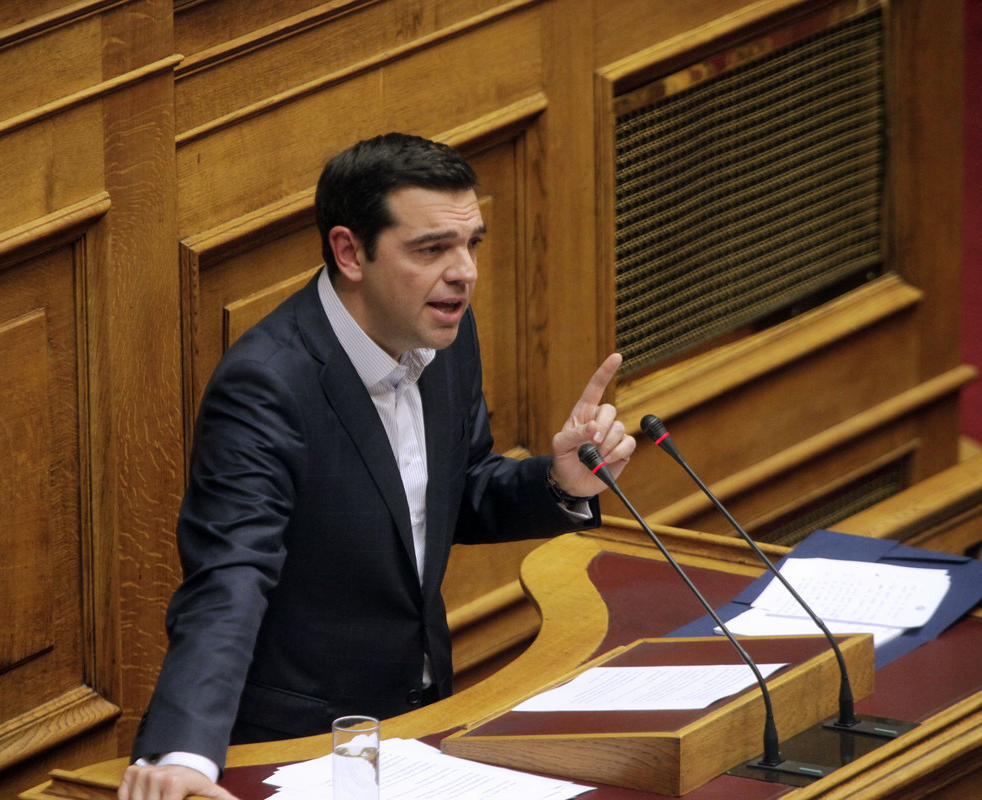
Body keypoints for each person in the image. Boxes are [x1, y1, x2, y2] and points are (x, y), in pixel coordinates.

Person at [118, 133, 635, 800]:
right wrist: (185, 753)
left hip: (420, 726)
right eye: (431, 250)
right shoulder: (268, 384)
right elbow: (230, 576)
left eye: (471, 244)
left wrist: (559, 482)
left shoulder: (443, 332)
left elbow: (451, 493)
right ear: (349, 252)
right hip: (296, 749)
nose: (464, 272)